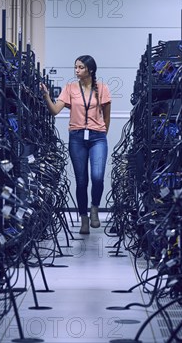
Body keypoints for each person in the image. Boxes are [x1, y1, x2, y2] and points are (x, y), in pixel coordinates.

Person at [41, 55, 111, 234]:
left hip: (98, 137)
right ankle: (84, 219)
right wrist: (46, 96)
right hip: (77, 137)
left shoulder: (102, 88)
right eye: (76, 67)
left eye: (80, 67)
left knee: (97, 177)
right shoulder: (70, 88)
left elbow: (107, 115)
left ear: (90, 70)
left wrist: (102, 133)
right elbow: (55, 111)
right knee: (81, 181)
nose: (76, 70)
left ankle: (94, 207)